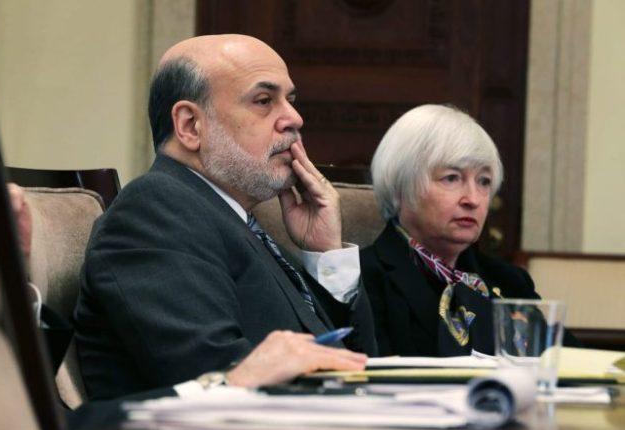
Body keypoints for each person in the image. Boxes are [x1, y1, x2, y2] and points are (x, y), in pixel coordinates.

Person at [73, 34, 376, 400]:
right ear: (190, 126)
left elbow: (352, 362)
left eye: (290, 100)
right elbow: (219, 380)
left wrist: (325, 253)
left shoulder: (231, 217)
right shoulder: (153, 213)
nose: (294, 119)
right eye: (264, 101)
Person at [360, 104, 578, 357]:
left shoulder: (508, 280)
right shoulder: (360, 279)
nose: (473, 199)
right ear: (401, 187)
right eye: (452, 178)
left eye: (484, 181)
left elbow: (570, 361)